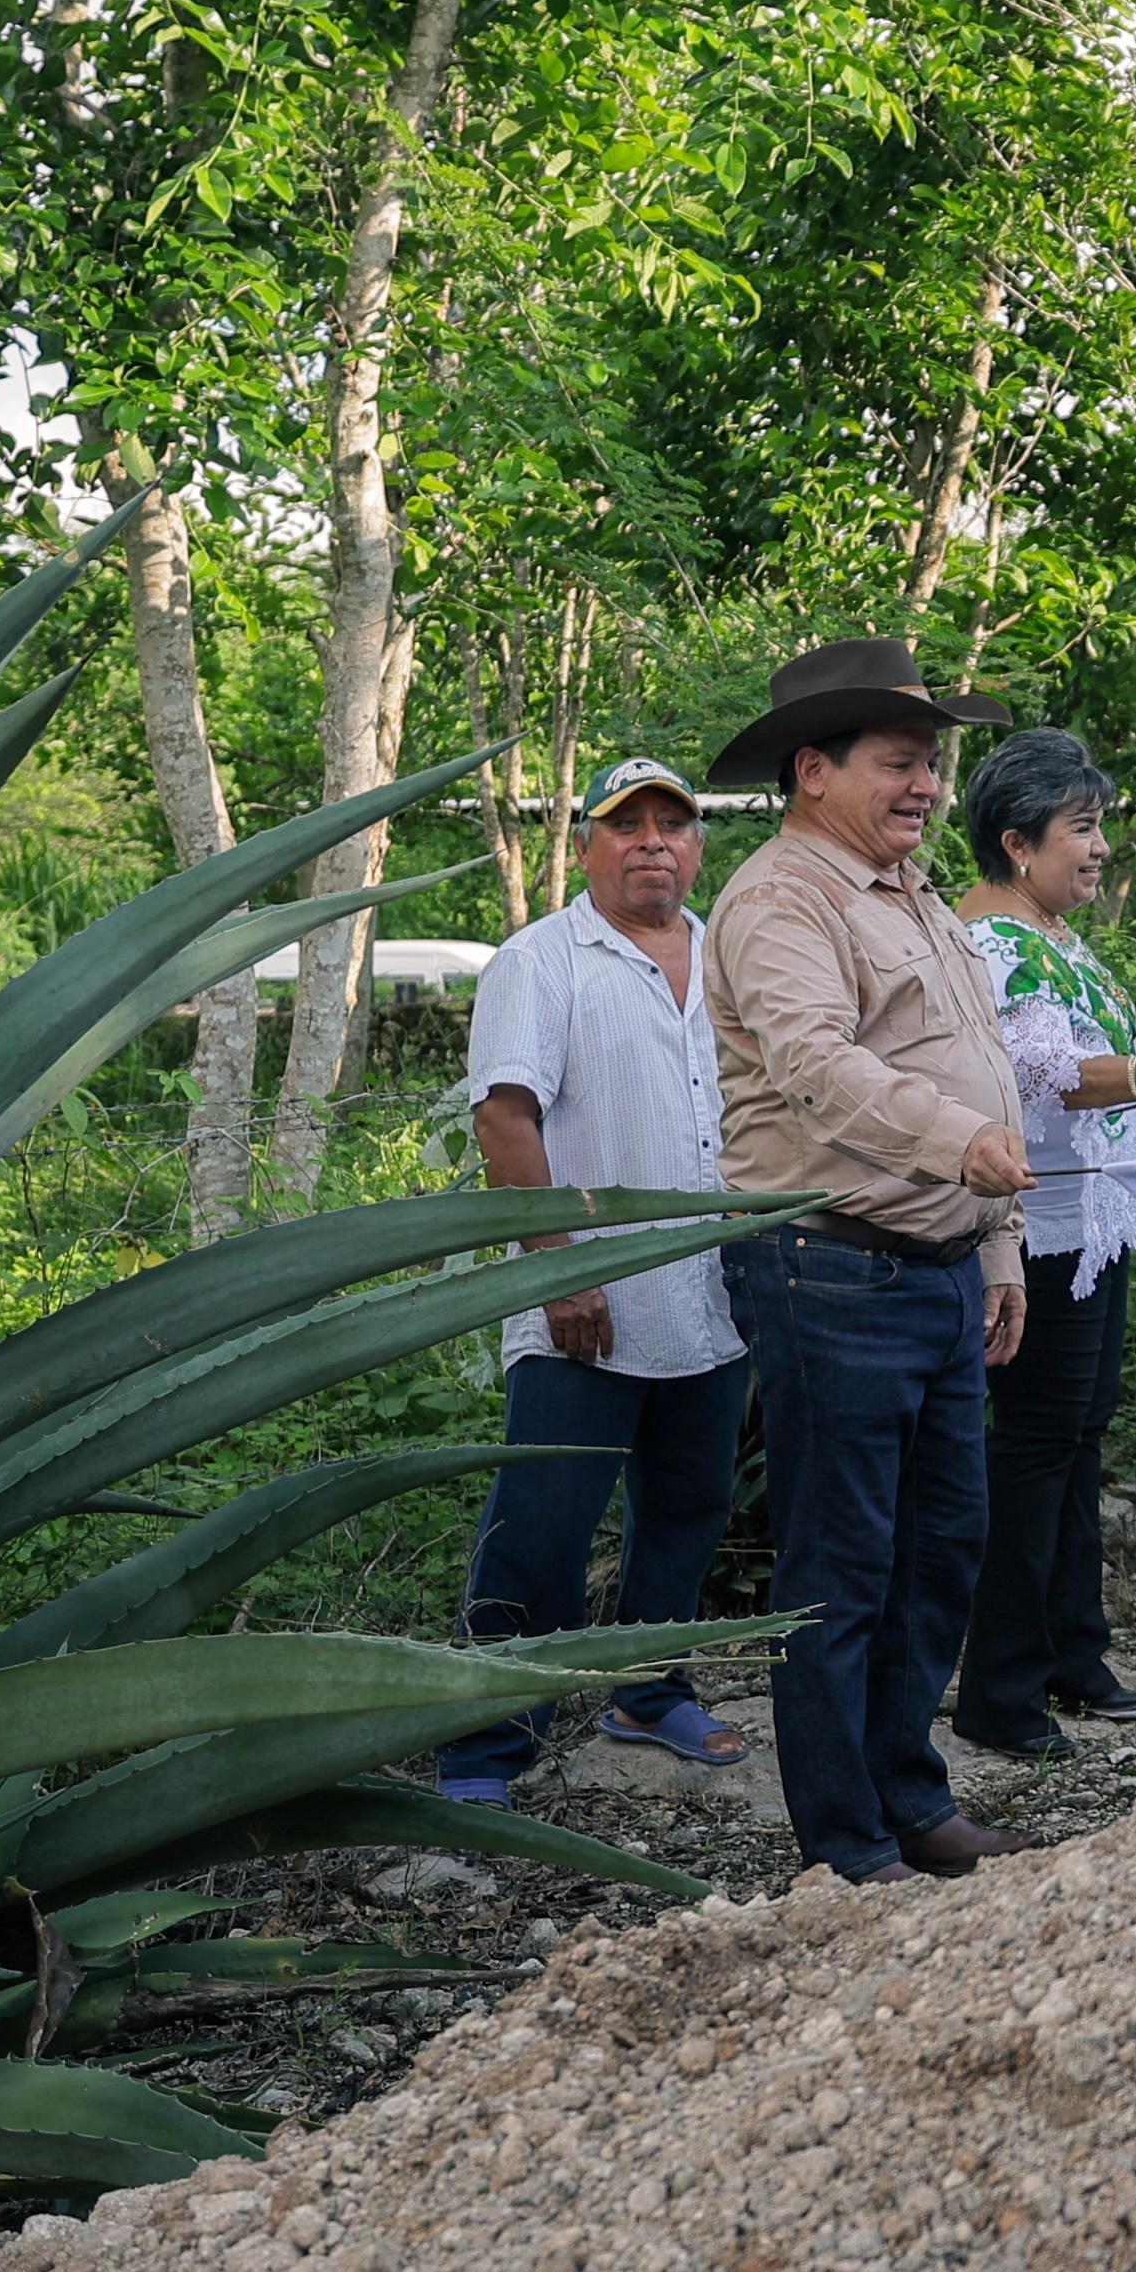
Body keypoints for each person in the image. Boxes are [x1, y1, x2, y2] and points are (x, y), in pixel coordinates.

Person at [702, 639, 1035, 1886]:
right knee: (841, 1568)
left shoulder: (916, 896)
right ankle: (845, 1843)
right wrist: (965, 1148)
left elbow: (981, 1064)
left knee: (942, 1549)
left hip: (942, 1273)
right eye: (900, 763)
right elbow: (817, 1072)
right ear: (813, 769)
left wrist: (996, 1246)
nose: (928, 788)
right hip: (830, 1271)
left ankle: (912, 1796)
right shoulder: (780, 901)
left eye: (934, 766)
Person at [437, 757, 753, 1809]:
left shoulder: (729, 957)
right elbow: (504, 1118)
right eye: (628, 826)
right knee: (543, 1522)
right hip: (587, 1300)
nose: (654, 842)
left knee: (688, 1506)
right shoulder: (541, 963)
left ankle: (646, 1689)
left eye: (674, 824)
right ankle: (485, 1740)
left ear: (699, 846)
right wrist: (559, 1273)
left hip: (713, 1296)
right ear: (585, 847)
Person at [948, 729, 1136, 1756]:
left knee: (1076, 1445)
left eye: (1100, 827)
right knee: (1035, 1455)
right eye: (1083, 829)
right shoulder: (990, 944)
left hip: (1090, 1226)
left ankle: (1073, 1654)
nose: (1101, 848)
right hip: (1030, 1234)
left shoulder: (1051, 935)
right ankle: (1002, 1692)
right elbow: (1047, 1075)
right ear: (1017, 840)